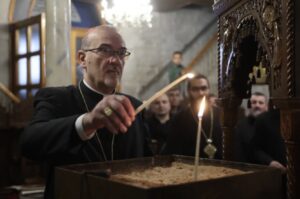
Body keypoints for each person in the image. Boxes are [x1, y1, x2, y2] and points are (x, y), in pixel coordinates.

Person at [21, 25, 151, 199]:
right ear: (82, 58)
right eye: (104, 50)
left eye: (121, 53)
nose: (115, 60)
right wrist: (88, 121)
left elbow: (148, 164)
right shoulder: (57, 98)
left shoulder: (134, 106)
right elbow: (29, 143)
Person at [164, 74, 223, 159]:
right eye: (195, 89)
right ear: (188, 91)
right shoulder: (179, 118)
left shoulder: (221, 114)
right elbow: (174, 149)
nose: (200, 93)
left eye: (203, 88)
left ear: (209, 90)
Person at [234, 92, 269, 163]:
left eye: (261, 103)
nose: (257, 105)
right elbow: (239, 153)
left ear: (266, 107)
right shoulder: (241, 126)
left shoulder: (272, 125)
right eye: (254, 102)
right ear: (249, 106)